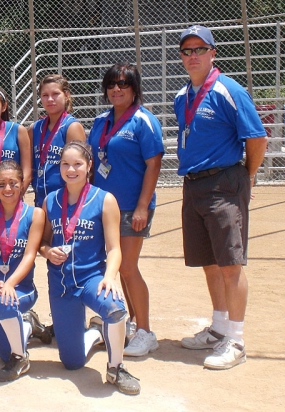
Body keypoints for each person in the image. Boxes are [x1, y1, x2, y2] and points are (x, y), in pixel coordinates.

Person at [174, 25, 267, 370]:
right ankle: (219, 328)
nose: (193, 55)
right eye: (187, 51)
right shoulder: (182, 96)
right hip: (194, 184)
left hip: (225, 181)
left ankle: (237, 340)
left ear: (213, 53)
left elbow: (256, 139)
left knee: (230, 263)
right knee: (210, 261)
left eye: (200, 49)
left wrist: (247, 175)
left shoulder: (230, 90)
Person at [40, 141, 141, 395]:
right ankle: (96, 333)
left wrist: (110, 276)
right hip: (61, 284)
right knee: (71, 363)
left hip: (91, 277)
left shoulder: (104, 200)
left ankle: (116, 367)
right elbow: (42, 243)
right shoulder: (49, 201)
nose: (71, 169)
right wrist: (47, 252)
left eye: (77, 164)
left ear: (89, 166)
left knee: (115, 308)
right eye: (65, 164)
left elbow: (114, 248)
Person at [87, 63, 164, 357]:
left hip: (133, 205)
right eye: (111, 84)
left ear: (134, 89)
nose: (116, 89)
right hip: (104, 207)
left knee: (128, 268)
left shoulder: (144, 121)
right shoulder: (99, 121)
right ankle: (133, 322)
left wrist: (143, 205)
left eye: (123, 84)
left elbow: (153, 164)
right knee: (115, 267)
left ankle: (145, 331)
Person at [0, 160, 45, 381]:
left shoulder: (35, 214)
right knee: (3, 352)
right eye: (1, 184)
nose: (7, 189)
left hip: (20, 287)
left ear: (22, 184)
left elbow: (30, 255)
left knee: (5, 306)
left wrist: (10, 284)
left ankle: (20, 358)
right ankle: (27, 325)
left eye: (13, 183)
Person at [29, 74, 86, 207]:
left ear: (66, 95)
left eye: (55, 94)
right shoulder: (35, 128)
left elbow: (80, 169)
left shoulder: (71, 127)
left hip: (65, 201)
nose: (50, 99)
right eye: (45, 95)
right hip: (40, 199)